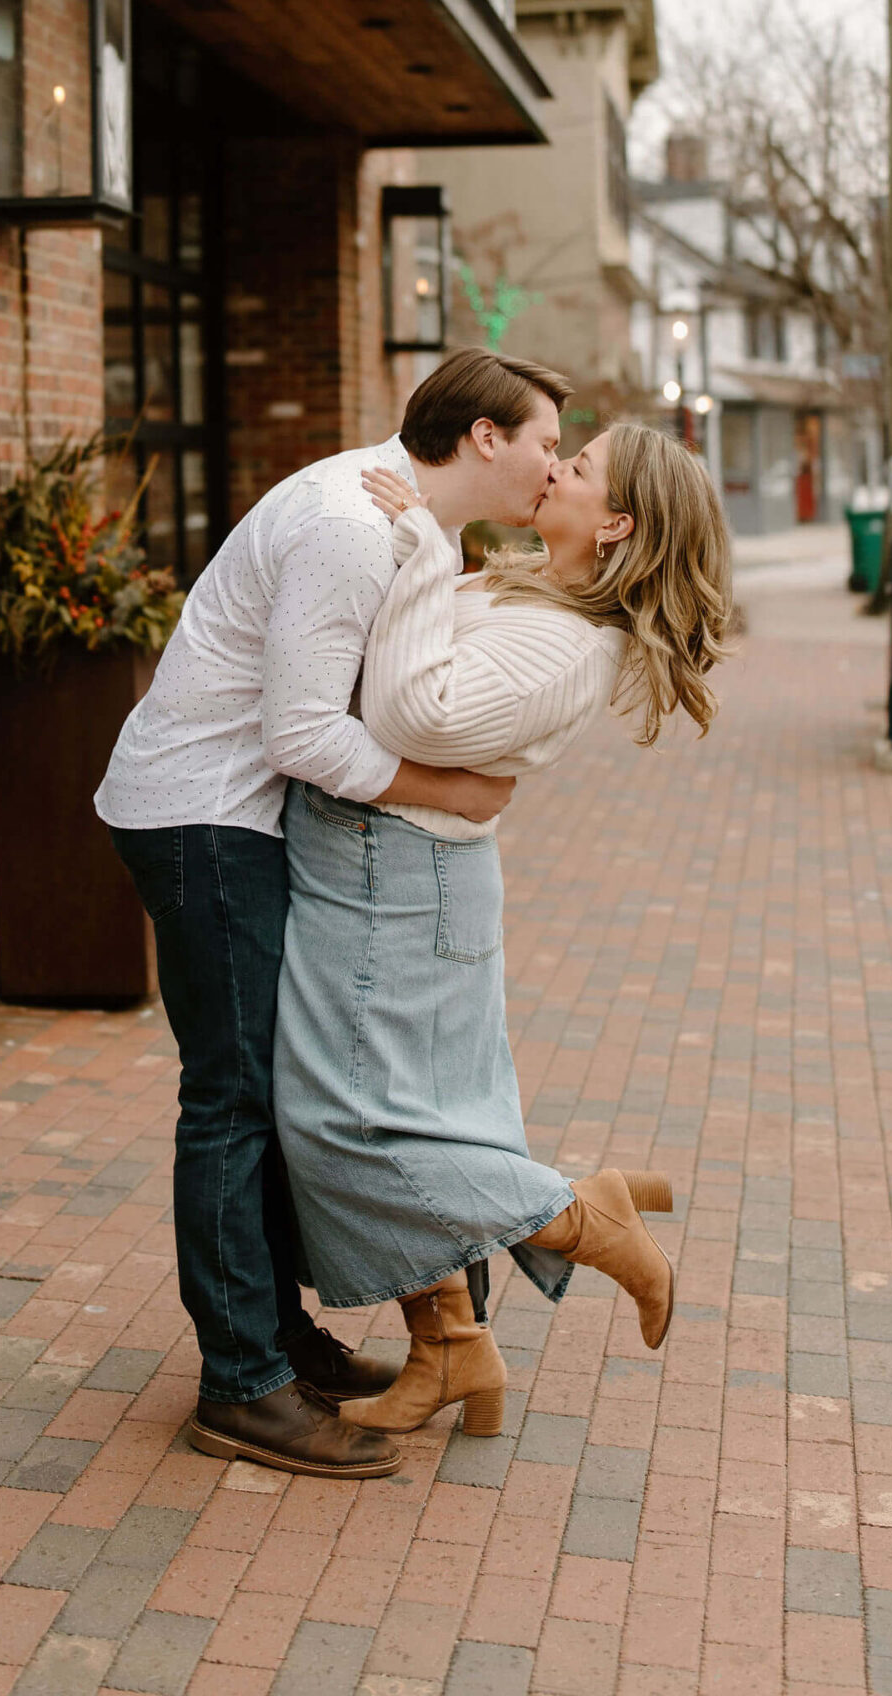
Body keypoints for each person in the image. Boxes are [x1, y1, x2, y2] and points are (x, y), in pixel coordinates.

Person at [95, 350, 572, 1479]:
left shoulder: (410, 525)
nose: (556, 465)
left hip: (243, 818)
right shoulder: (351, 525)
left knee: (271, 1085)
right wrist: (448, 790)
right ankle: (241, 1385)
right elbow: (302, 734)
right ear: (487, 436)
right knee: (234, 1093)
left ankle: (283, 1342)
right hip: (204, 817)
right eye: (548, 440)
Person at [274, 420, 734, 1440]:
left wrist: (430, 557)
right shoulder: (539, 589)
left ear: (614, 521)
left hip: (395, 876)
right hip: (393, 865)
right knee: (415, 1112)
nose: (554, 469)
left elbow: (407, 713)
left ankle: (582, 1214)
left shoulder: (563, 641)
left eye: (577, 466)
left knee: (348, 1127)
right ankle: (450, 1344)